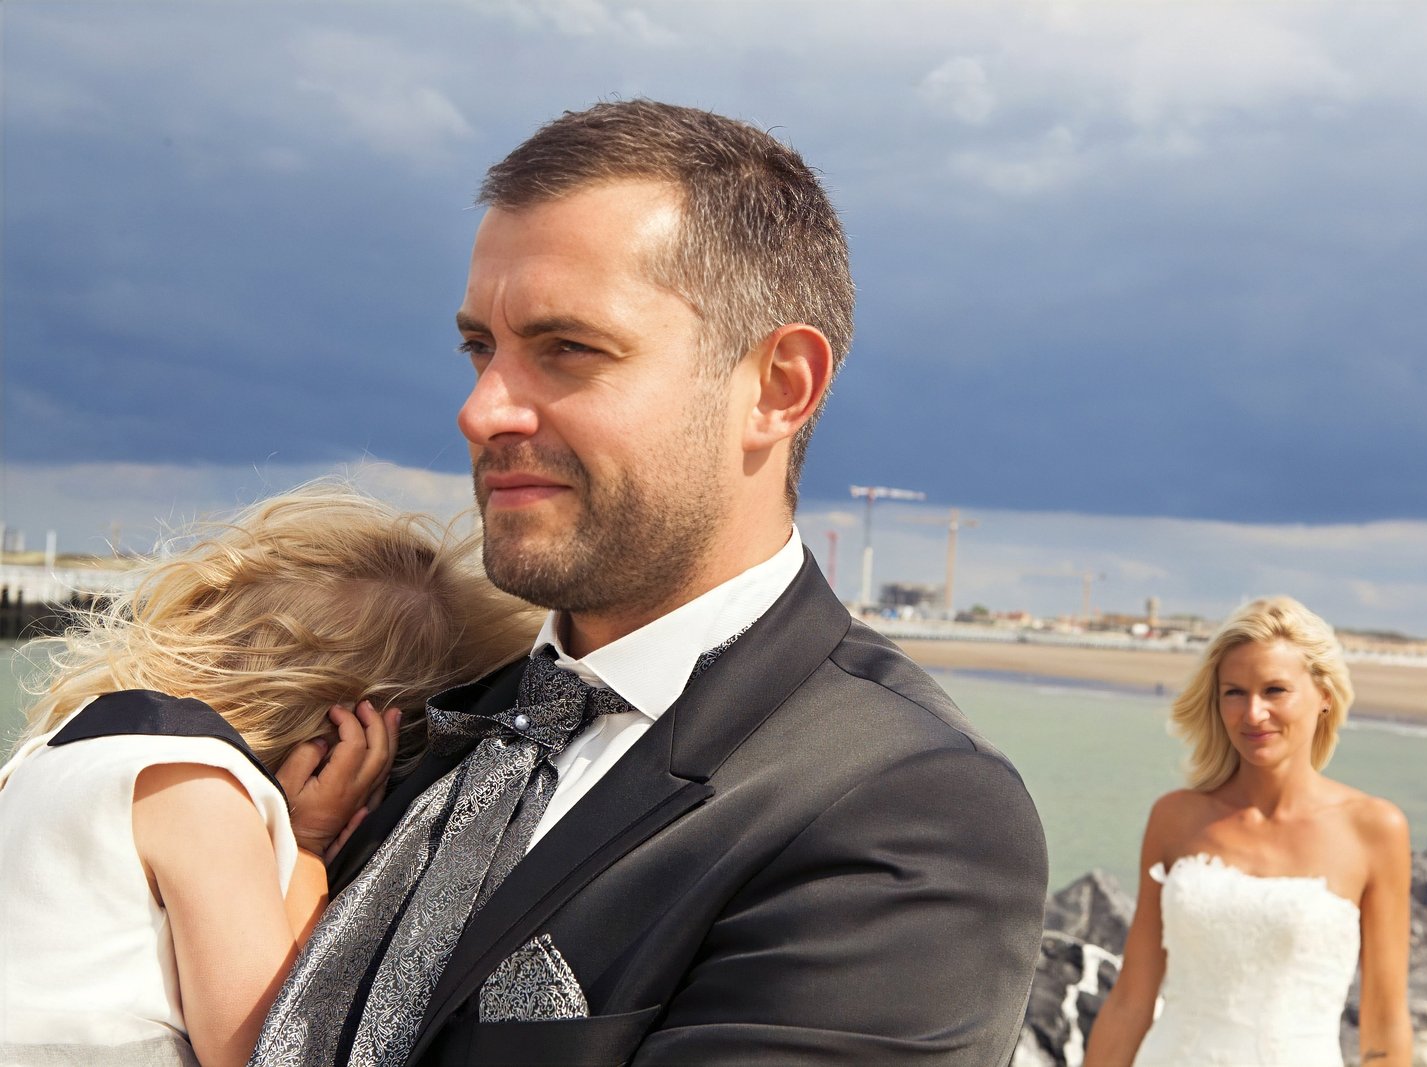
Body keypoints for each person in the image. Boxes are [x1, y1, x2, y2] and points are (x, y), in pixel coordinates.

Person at [254, 99, 1049, 1067]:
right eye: (480, 349)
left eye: (568, 349)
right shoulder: (431, 720)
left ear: (777, 385)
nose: (479, 409)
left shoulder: (905, 809)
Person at [0, 486, 542, 1067]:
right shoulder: (201, 791)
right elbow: (265, 1046)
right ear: (344, 741)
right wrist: (306, 849)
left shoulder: (45, 758)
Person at [1084, 596, 1413, 1067]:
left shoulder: (1375, 830)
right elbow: (1131, 999)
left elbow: (1384, 1020)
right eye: (1234, 692)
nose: (1253, 714)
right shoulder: (1175, 818)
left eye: (1275, 690)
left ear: (1323, 695)